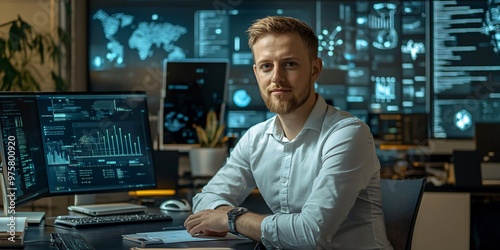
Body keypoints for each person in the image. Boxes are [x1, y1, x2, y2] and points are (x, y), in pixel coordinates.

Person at [184, 16, 392, 250]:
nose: (276, 78)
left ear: (315, 70)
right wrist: (226, 215)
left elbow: (311, 233)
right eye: (266, 66)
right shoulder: (255, 138)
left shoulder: (348, 134)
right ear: (256, 73)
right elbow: (205, 199)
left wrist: (232, 219)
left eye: (290, 64)